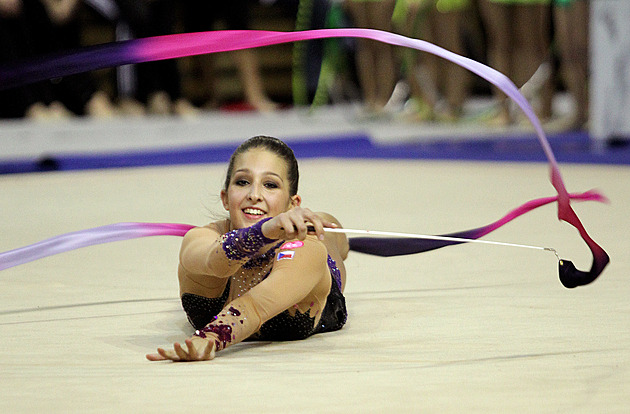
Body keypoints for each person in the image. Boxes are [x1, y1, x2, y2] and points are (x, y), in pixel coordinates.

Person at [147, 136, 349, 362]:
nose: (254, 195)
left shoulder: (307, 249)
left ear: (292, 204)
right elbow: (217, 262)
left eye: (270, 185)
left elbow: (255, 306)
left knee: (327, 234)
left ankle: (327, 224)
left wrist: (212, 336)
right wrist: (263, 232)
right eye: (242, 182)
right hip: (259, 238)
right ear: (225, 198)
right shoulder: (199, 238)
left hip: (310, 273)